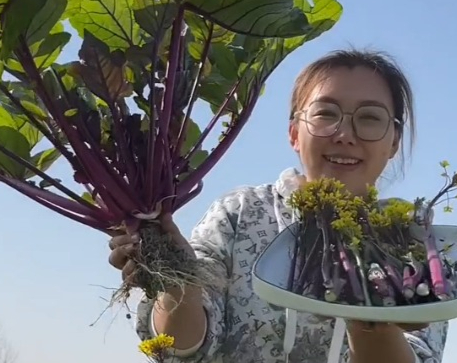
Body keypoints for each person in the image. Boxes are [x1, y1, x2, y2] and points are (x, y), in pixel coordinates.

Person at [109, 49, 449, 363]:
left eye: (370, 118)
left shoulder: (413, 241)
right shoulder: (239, 212)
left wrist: (370, 313)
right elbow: (179, 347)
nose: (345, 134)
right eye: (326, 113)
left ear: (394, 142)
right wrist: (177, 281)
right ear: (294, 133)